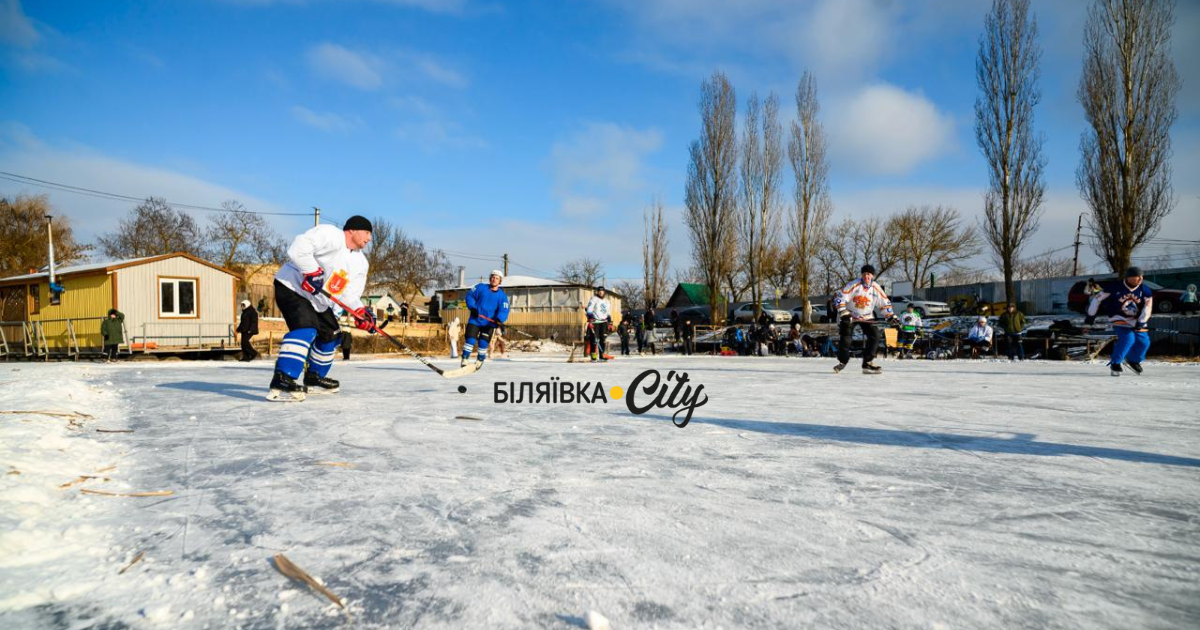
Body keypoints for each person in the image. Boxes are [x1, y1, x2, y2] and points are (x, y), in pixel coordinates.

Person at [267, 215, 374, 401]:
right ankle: (283, 377)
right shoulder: (331, 235)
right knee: (306, 328)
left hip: (318, 300)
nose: (369, 238)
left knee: (332, 334)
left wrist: (360, 311)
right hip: (292, 287)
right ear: (352, 230)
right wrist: (311, 271)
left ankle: (314, 378)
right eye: (366, 233)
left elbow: (349, 294)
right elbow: (298, 248)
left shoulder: (361, 263)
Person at [1086, 266, 1154, 376]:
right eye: (1137, 277)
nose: (1140, 279)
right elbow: (1097, 298)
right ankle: (1116, 363)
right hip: (1119, 318)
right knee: (1128, 339)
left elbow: (1148, 307)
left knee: (1144, 342)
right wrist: (1091, 315)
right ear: (1128, 277)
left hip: (1137, 320)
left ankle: (1133, 360)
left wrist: (1141, 321)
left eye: (1142, 277)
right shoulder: (1114, 287)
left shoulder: (1144, 290)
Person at [833, 264, 893, 374]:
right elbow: (839, 298)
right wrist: (843, 313)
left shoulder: (876, 288)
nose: (866, 276)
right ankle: (842, 361)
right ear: (861, 275)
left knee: (875, 335)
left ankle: (867, 362)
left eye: (869, 274)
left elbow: (885, 303)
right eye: (864, 274)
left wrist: (890, 316)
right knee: (846, 338)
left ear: (872, 276)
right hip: (850, 315)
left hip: (867, 316)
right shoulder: (854, 284)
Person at [461, 270, 510, 369]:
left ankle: (480, 359)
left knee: (483, 343)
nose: (494, 279)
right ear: (490, 278)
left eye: (497, 278)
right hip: (475, 320)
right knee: (470, 340)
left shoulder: (502, 296)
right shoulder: (480, 287)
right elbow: (470, 296)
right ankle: (465, 359)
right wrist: (473, 308)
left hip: (489, 324)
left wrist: (499, 319)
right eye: (492, 277)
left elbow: (504, 309)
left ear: (500, 281)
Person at [586, 286, 613, 362]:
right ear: (597, 292)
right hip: (595, 322)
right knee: (594, 339)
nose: (601, 292)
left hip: (604, 322)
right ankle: (593, 355)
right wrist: (590, 320)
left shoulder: (607, 301)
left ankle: (601, 355)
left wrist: (610, 322)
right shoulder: (594, 299)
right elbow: (589, 310)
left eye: (602, 291)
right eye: (599, 291)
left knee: (603, 340)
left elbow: (608, 313)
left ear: (604, 292)